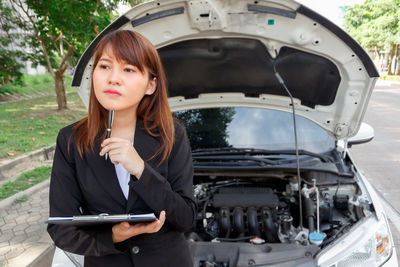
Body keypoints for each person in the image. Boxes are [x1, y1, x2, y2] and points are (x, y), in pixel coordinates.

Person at [47, 30, 196, 267]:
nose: (114, 78)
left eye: (128, 69)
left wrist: (141, 170)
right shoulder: (70, 140)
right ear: (93, 74)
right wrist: (114, 236)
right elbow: (60, 228)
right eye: (105, 66)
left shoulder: (172, 134)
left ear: (151, 85)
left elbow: (186, 218)